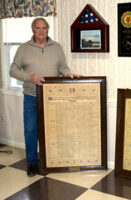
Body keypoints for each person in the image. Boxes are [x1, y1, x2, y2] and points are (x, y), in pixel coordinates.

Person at [9, 18, 81, 177]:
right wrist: (29, 76)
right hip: (31, 98)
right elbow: (13, 71)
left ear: (48, 30)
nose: (41, 31)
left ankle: (53, 160)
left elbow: (63, 67)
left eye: (44, 28)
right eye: (38, 28)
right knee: (31, 131)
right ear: (32, 30)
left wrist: (68, 74)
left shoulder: (57, 48)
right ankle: (32, 163)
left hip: (53, 98)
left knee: (54, 130)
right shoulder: (23, 49)